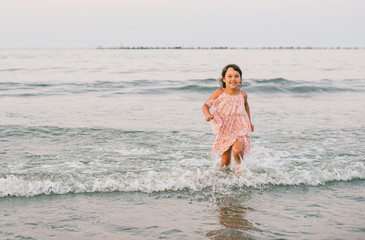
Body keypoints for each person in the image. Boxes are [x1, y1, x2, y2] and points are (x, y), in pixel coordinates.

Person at [202, 64, 254, 169]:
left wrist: (250, 122)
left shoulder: (243, 95)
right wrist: (208, 114)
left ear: (240, 79)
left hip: (240, 127)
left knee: (237, 150)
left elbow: (246, 105)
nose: (233, 79)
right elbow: (205, 105)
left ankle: (240, 170)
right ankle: (223, 179)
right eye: (229, 76)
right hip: (225, 129)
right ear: (224, 79)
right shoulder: (219, 93)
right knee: (225, 162)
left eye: (236, 76)